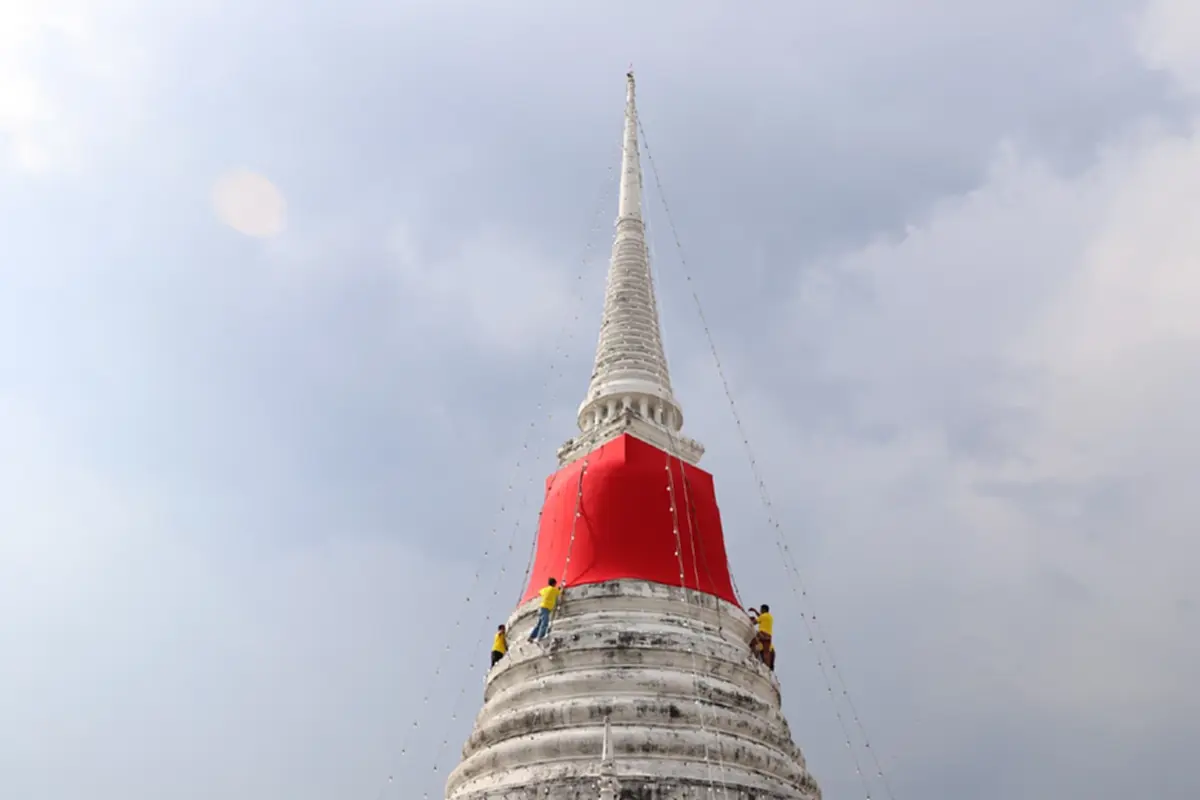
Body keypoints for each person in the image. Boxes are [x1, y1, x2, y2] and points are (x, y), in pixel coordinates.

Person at [528, 577, 562, 642]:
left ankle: (531, 637)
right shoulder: (554, 590)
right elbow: (560, 592)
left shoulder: (545, 589)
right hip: (546, 609)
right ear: (554, 584)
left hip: (541, 608)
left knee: (539, 624)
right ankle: (540, 637)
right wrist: (559, 588)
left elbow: (539, 592)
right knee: (544, 623)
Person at [756, 604, 775, 671]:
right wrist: (755, 611)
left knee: (764, 652)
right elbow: (761, 617)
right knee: (765, 651)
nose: (760, 611)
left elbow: (755, 621)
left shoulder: (763, 616)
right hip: (768, 636)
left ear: (763, 610)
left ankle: (766, 667)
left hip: (762, 634)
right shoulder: (769, 617)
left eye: (760, 609)